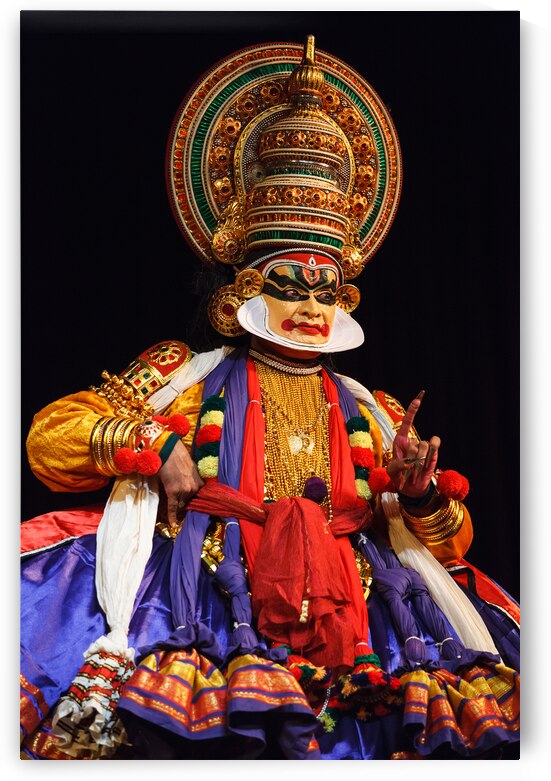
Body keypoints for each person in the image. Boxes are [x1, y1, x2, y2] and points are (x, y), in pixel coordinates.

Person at [20, 36, 520, 761]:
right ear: (242, 292)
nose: (312, 305)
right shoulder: (179, 375)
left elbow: (447, 546)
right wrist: (154, 444)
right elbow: (50, 437)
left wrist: (416, 496)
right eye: (289, 283)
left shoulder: (369, 408)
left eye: (326, 289)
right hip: (201, 599)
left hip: (360, 616)